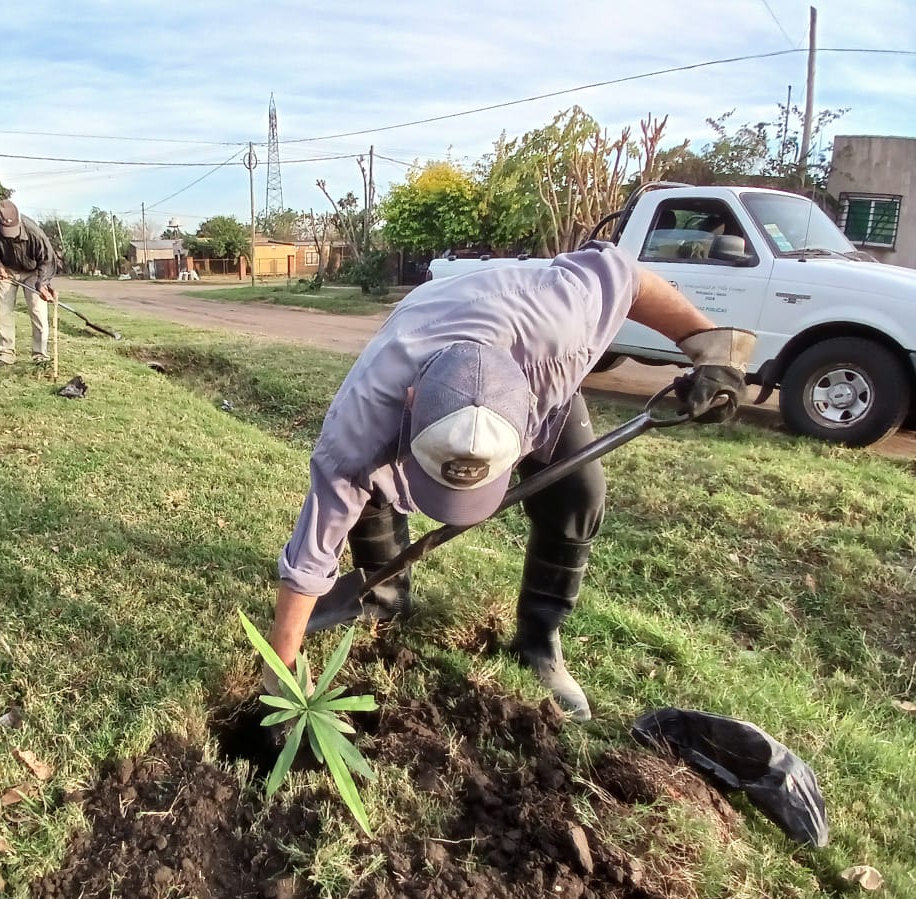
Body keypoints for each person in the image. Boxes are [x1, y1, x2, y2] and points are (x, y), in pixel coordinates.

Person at [263, 242, 756, 721]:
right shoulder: (362, 421)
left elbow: (627, 276)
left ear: (525, 419)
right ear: (411, 404)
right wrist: (281, 669)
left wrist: (708, 345)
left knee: (579, 495)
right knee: (367, 481)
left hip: (531, 346)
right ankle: (383, 597)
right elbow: (312, 553)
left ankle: (539, 641)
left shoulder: (569, 323)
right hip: (430, 322)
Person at [0, 199, 62, 365]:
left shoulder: (34, 232)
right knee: (4, 310)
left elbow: (47, 260)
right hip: (7, 270)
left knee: (38, 311)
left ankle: (40, 355)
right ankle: (6, 354)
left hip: (33, 271)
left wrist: (42, 284)